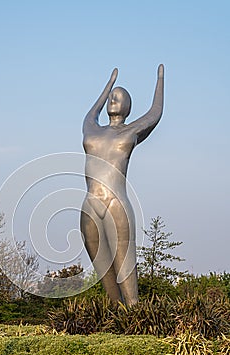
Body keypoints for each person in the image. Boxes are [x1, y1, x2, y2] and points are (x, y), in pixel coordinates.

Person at [81, 64, 164, 306]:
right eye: (111, 96)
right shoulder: (92, 129)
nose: (113, 99)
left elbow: (155, 112)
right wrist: (108, 84)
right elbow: (91, 113)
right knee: (104, 272)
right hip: (90, 203)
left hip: (116, 203)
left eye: (118, 96)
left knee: (124, 267)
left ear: (127, 106)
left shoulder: (131, 131)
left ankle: (135, 317)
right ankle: (115, 319)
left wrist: (160, 79)